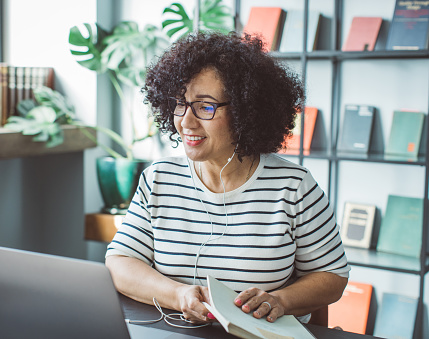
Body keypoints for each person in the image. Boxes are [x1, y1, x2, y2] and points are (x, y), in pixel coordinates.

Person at [105, 32, 349, 325]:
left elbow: (332, 275)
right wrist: (179, 294)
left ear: (246, 111)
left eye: (205, 106)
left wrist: (281, 301)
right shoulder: (158, 179)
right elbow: (119, 263)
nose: (186, 121)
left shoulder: (292, 187)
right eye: (180, 103)